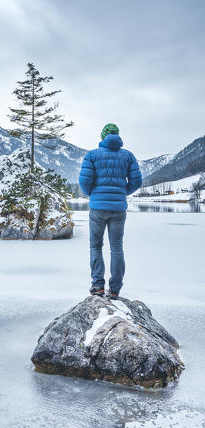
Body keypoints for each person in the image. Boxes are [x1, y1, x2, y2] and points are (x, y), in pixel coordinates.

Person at [78, 123, 142, 299]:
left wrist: (93, 194)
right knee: (117, 248)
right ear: (117, 136)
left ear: (102, 136)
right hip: (118, 208)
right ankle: (114, 289)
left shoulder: (92, 155)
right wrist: (122, 192)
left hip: (97, 208)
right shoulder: (128, 156)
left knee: (95, 246)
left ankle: (98, 286)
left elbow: (84, 182)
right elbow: (137, 181)